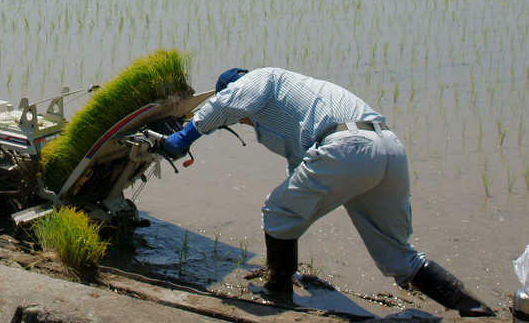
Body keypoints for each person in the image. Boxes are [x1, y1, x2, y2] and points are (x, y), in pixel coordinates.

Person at [163, 67, 492, 316]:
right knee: (398, 254)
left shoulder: (260, 79)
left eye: (238, 117)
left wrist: (186, 135)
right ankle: (476, 310)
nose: (242, 121)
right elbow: (301, 168)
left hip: (348, 148)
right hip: (387, 148)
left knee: (277, 212)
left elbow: (225, 102)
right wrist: (297, 209)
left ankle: (277, 290)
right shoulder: (293, 102)